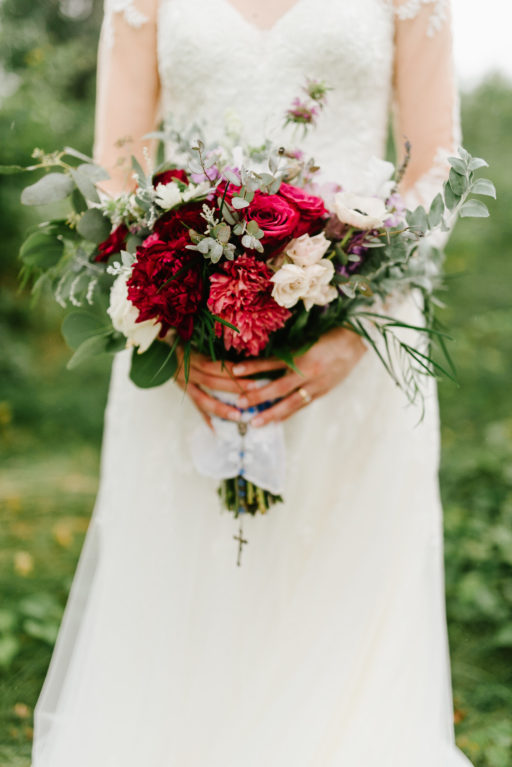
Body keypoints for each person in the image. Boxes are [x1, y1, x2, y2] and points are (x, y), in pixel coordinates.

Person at [31, 1, 473, 765]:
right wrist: (172, 329)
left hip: (360, 350)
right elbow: (117, 165)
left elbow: (435, 159)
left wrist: (359, 328)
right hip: (193, 356)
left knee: (341, 607)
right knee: (191, 606)